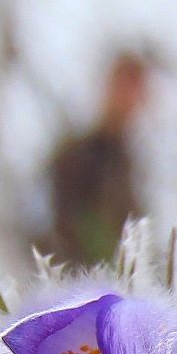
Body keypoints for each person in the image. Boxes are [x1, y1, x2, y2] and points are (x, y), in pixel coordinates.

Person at [38, 50, 151, 268]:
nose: (131, 99)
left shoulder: (129, 162)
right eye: (126, 87)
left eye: (137, 89)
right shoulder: (77, 156)